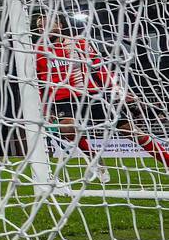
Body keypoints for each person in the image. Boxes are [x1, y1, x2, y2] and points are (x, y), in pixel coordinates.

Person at [35, 12, 169, 181]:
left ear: (60, 26)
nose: (42, 28)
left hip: (91, 94)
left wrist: (118, 90)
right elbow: (39, 82)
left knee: (131, 131)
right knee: (67, 128)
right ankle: (94, 158)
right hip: (63, 98)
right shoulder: (37, 52)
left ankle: (167, 161)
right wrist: (45, 107)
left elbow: (100, 68)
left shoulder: (79, 43)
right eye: (40, 25)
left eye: (46, 23)